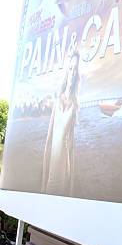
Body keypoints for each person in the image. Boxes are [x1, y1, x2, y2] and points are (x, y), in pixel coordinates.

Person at [41, 50, 80, 196]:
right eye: (70, 69)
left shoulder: (75, 105)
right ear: (66, 72)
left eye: (75, 69)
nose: (73, 73)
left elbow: (71, 146)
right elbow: (49, 140)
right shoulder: (57, 101)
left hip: (65, 169)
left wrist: (71, 187)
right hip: (52, 171)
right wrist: (43, 181)